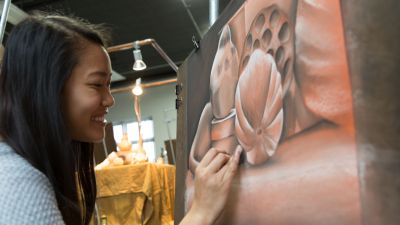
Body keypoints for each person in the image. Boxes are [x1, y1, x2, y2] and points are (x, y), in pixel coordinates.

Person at [0, 14, 241, 225]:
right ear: (48, 87)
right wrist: (201, 212)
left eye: (108, 86)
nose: (109, 100)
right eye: (96, 85)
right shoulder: (17, 183)